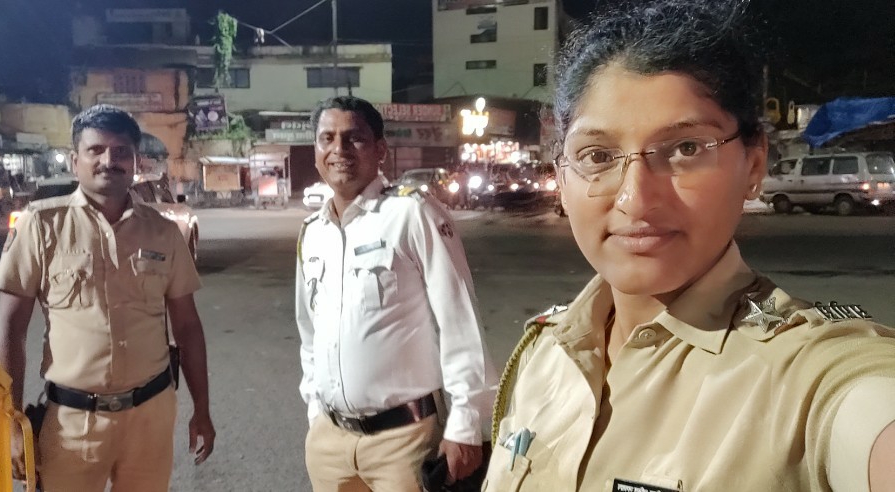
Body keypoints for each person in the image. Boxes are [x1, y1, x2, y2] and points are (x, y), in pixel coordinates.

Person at [482, 1, 895, 491]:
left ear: (754, 165)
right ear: (562, 179)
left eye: (685, 149)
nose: (635, 199)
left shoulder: (803, 374)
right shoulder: (545, 352)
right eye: (597, 155)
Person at [0, 104, 215, 492]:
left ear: (135, 161)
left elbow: (188, 326)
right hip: (72, 423)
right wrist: (8, 421)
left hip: (151, 415)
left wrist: (203, 409)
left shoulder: (163, 233)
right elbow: (10, 330)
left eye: (120, 151)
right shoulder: (41, 225)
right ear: (75, 161)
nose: (109, 161)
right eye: (95, 150)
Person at [296, 96, 497, 491]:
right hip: (330, 444)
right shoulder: (312, 233)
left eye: (354, 138)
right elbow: (309, 334)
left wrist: (466, 423)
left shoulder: (411, 213)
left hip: (405, 443)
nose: (339, 149)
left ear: (380, 150)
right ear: (316, 152)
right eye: (327, 138)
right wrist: (315, 410)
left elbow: (459, 319)